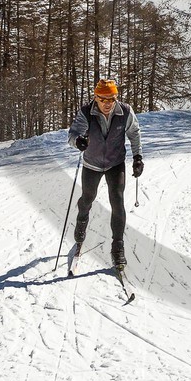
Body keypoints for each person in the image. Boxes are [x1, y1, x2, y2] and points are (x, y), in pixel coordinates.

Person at [68, 79, 143, 272]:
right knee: (87, 199)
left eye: (111, 98)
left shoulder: (125, 111)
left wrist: (137, 157)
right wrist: (78, 142)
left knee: (117, 202)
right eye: (103, 99)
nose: (107, 103)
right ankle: (81, 223)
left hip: (115, 163)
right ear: (96, 97)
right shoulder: (87, 112)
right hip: (91, 164)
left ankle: (117, 247)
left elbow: (134, 133)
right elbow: (73, 133)